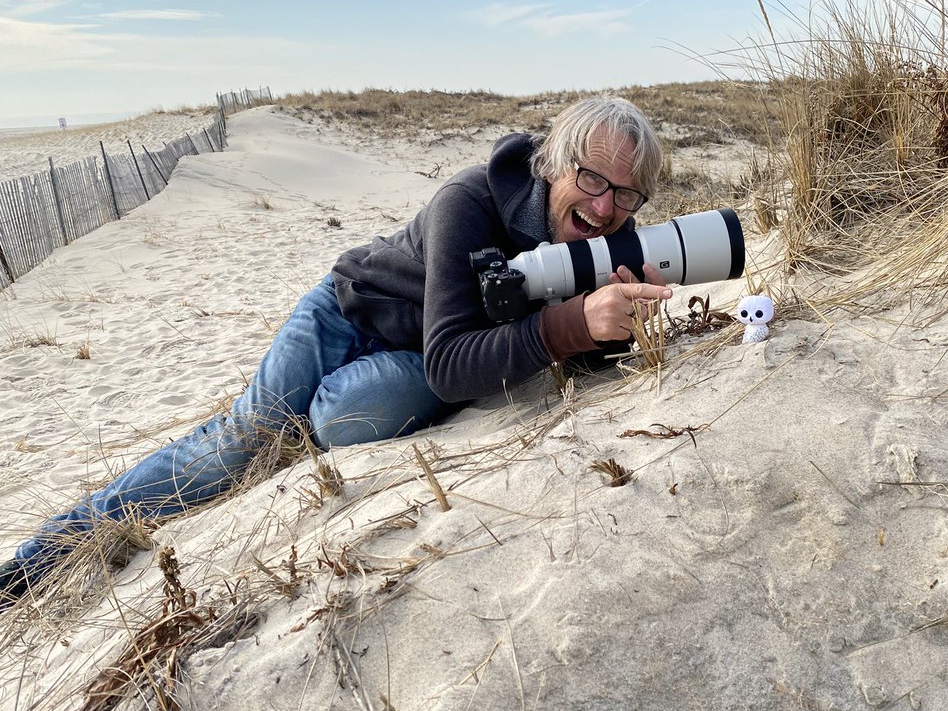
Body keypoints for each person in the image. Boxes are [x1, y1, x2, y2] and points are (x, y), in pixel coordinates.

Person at [0, 95, 672, 607]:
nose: (605, 206)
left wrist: (620, 319)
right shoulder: (470, 200)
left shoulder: (607, 242)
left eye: (625, 192)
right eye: (590, 179)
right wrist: (572, 325)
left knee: (337, 423)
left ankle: (315, 426)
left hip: (426, 358)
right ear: (554, 166)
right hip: (346, 316)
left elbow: (574, 361)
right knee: (238, 440)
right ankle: (47, 551)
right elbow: (457, 362)